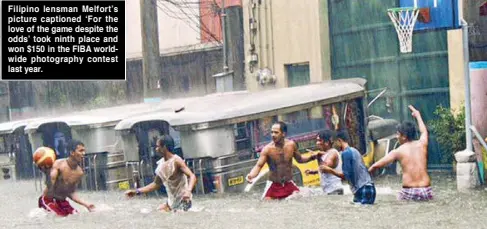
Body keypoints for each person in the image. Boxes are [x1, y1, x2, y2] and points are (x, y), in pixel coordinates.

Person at [368, 105, 433, 201]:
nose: (396, 136)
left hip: (409, 192)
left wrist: (367, 172)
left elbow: (376, 165)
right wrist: (418, 115)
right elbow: (424, 131)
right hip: (426, 191)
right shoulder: (422, 144)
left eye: (398, 134)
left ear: (404, 136)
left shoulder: (398, 151)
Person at [246, 121, 323, 200]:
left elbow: (300, 160)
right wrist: (251, 176)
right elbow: (259, 165)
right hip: (273, 185)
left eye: (276, 132)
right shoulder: (267, 149)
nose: (273, 135)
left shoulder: (291, 145)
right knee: (266, 206)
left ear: (283, 134)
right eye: (271, 132)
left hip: (288, 183)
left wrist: (312, 157)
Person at [125, 135, 197, 212]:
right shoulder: (161, 164)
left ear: (164, 147)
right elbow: (155, 184)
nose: (156, 149)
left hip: (184, 200)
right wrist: (136, 191)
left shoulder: (176, 161)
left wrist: (188, 191)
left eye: (157, 146)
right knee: (157, 211)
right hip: (172, 202)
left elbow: (192, 176)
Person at [38, 140, 95, 216]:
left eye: (84, 151)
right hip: (48, 200)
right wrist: (48, 172)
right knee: (58, 217)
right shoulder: (58, 164)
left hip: (62, 202)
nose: (83, 154)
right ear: (72, 152)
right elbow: (50, 183)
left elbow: (71, 192)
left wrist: (86, 204)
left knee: (76, 216)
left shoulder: (79, 172)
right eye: (81, 151)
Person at [320, 130, 376, 204]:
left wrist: (330, 170)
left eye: (335, 142)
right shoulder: (354, 150)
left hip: (362, 189)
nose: (334, 145)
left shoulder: (345, 153)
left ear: (339, 141)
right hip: (369, 187)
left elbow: (345, 176)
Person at [305, 130, 344, 195]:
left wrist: (318, 157)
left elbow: (324, 168)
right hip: (330, 191)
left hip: (334, 190)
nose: (317, 143)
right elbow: (327, 169)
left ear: (327, 142)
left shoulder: (332, 153)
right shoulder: (326, 153)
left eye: (319, 140)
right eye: (317, 140)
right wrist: (313, 172)